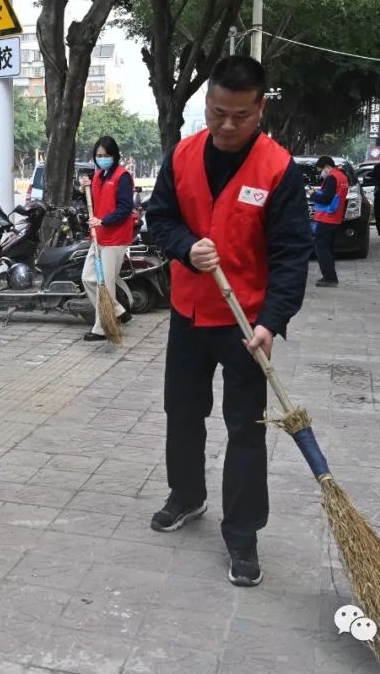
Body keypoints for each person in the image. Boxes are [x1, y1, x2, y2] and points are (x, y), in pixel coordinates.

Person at [145, 55, 312, 587]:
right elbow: (159, 220)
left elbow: (291, 255)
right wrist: (184, 247)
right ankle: (187, 496)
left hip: (246, 327)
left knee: (246, 430)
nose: (227, 125)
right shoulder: (183, 155)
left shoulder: (278, 170)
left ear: (261, 108)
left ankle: (242, 534)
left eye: (240, 115)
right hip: (189, 313)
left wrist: (272, 320)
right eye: (218, 112)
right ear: (207, 104)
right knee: (183, 412)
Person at [78, 135, 135, 342]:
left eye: (106, 155)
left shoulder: (122, 176)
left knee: (105, 283)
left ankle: (102, 328)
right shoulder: (99, 176)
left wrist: (103, 221)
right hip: (98, 237)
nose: (102, 158)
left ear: (114, 155)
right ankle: (118, 311)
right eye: (98, 155)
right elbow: (94, 202)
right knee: (88, 278)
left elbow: (124, 208)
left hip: (115, 239)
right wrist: (84, 186)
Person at [310, 156, 348, 288]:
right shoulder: (342, 177)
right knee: (328, 248)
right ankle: (330, 276)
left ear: (326, 166)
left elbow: (326, 198)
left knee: (322, 248)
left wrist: (313, 195)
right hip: (335, 217)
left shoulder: (332, 177)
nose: (321, 172)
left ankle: (329, 278)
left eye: (321, 169)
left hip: (326, 217)